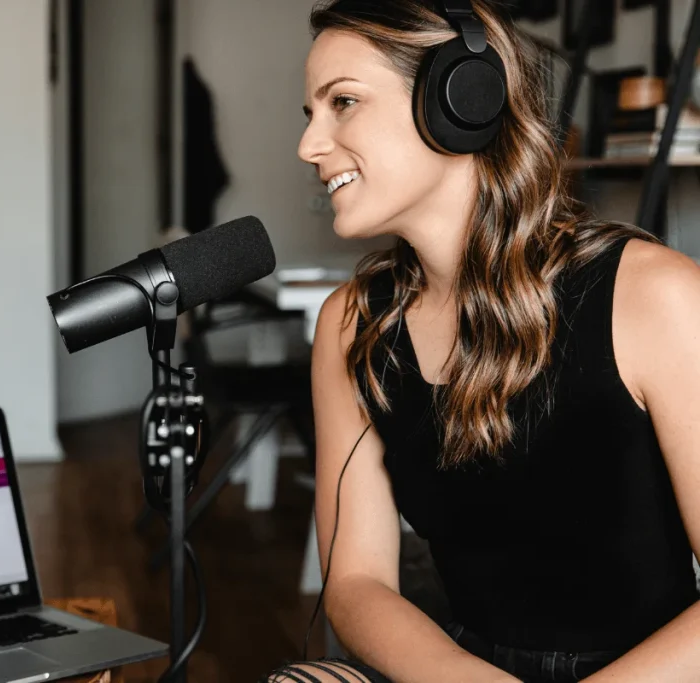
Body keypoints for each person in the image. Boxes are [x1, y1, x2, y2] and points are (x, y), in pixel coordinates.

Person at [265, 1, 700, 681]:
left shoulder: (654, 296)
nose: (309, 145)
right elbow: (355, 582)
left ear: (461, 98)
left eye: (343, 102)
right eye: (309, 114)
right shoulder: (351, 324)